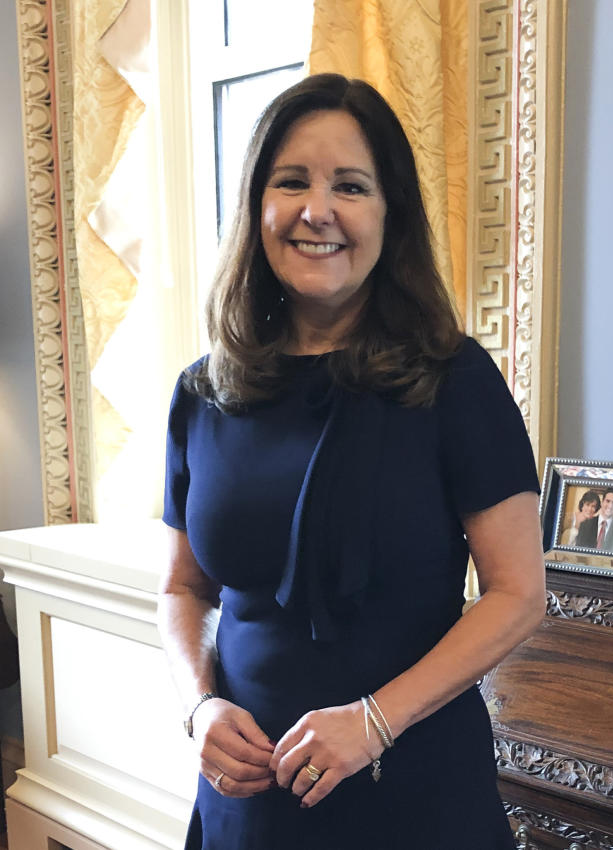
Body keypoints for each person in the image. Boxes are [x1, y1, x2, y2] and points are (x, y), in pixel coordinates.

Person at [158, 74, 545, 850]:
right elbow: (183, 587)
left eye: (351, 187)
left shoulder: (455, 380)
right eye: (291, 181)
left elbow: (517, 594)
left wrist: (374, 723)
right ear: (256, 207)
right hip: (250, 801)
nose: (317, 211)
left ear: (388, 215)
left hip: (410, 790)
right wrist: (198, 705)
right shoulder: (202, 391)